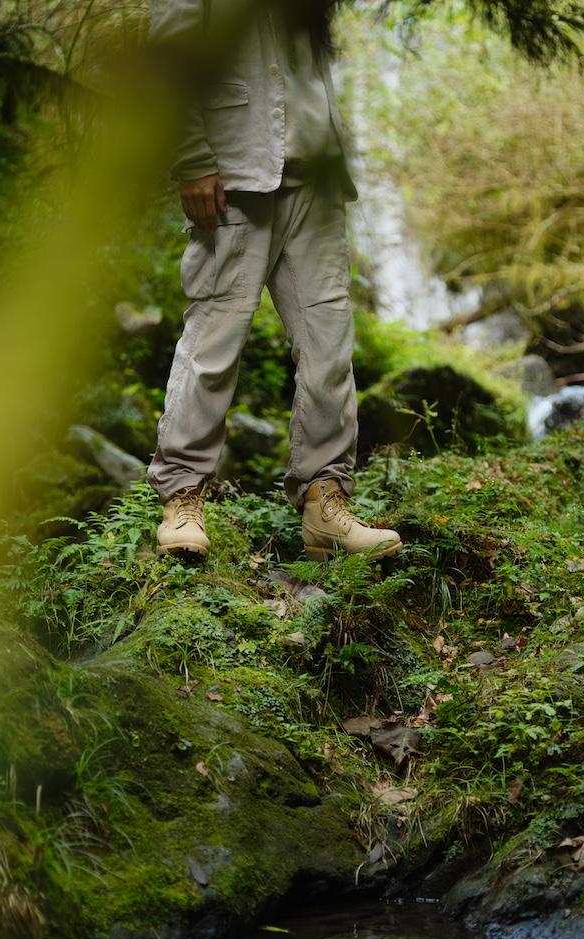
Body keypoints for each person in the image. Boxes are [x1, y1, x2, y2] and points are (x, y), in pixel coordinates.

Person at [146, 0, 402, 562]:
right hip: (237, 173)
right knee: (214, 339)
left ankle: (324, 505)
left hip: (317, 177)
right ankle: (182, 498)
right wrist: (191, 158)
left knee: (330, 345)